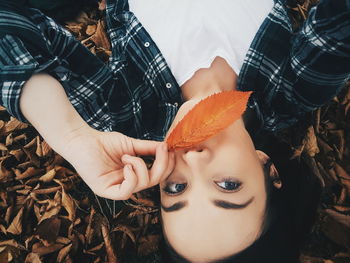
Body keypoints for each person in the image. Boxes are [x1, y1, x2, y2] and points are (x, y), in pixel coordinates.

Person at [0, 0, 349, 262]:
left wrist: (72, 138)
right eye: (228, 185)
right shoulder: (290, 93)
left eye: (176, 187)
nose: (194, 160)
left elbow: (8, 24)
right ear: (268, 168)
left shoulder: (127, 112)